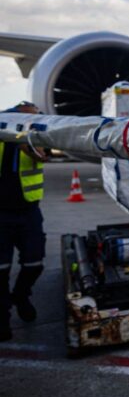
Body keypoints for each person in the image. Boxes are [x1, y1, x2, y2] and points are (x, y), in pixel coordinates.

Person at [0, 101, 47, 341]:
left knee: (34, 263)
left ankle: (21, 294)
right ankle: (2, 318)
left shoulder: (33, 134)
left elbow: (43, 156)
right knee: (1, 270)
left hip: (28, 210)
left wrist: (25, 142)